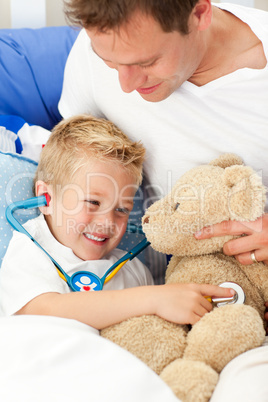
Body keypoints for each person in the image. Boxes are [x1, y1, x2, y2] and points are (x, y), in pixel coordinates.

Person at [58, 1, 268, 400]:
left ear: (200, 14)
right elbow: (69, 161)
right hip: (169, 294)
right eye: (109, 61)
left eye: (147, 61)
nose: (126, 84)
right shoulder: (95, 54)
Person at [0, 114, 232, 332]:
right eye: (93, 202)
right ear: (47, 198)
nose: (107, 222)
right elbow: (43, 311)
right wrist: (153, 299)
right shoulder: (29, 249)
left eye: (121, 210)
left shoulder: (133, 271)